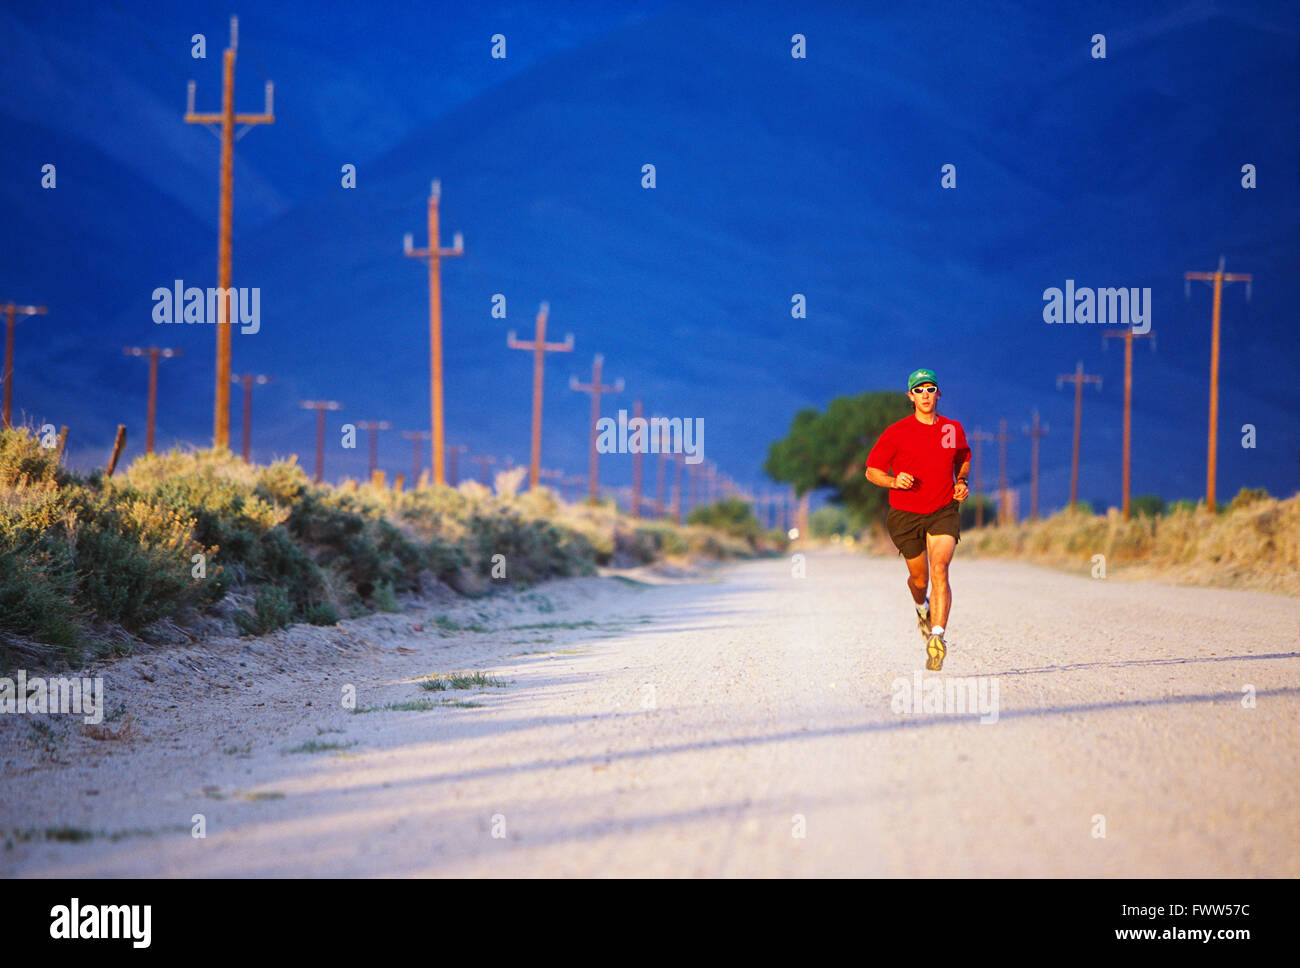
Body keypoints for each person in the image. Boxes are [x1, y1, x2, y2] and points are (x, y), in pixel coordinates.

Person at [865, 368, 971, 671]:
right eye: (919, 390)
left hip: (943, 509)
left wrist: (961, 482)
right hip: (905, 513)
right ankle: (920, 607)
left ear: (938, 394)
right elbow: (872, 471)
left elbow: (963, 457)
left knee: (940, 568)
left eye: (930, 389)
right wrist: (894, 481)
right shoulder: (896, 432)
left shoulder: (952, 429)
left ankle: (937, 637)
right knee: (919, 579)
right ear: (911, 397)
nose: (925, 395)